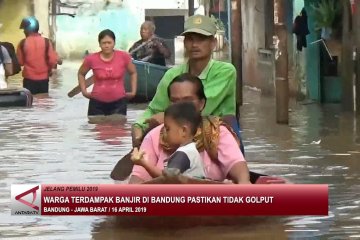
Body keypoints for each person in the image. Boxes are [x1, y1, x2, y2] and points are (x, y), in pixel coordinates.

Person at [131, 15, 244, 153]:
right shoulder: (172, 74)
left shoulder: (226, 71)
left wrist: (167, 116)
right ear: (184, 43)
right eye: (190, 39)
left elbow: (203, 105)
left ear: (213, 43)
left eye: (201, 39)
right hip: (183, 136)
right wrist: (139, 126)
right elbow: (154, 108)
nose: (195, 45)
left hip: (220, 135)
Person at [129, 73, 250, 184]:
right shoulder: (154, 135)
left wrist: (244, 185)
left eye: (188, 100)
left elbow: (239, 170)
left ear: (202, 104)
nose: (181, 107)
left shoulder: (217, 132)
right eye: (175, 101)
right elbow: (138, 180)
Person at [131, 101, 205, 179]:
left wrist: (143, 163)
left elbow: (166, 178)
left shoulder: (183, 154)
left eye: (167, 129)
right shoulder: (192, 150)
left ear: (184, 130)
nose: (163, 132)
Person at [78, 29, 137, 116]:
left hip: (119, 102)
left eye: (109, 43)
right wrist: (84, 91)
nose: (106, 45)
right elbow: (81, 73)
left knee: (118, 127)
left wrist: (133, 91)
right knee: (96, 128)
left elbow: (133, 72)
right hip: (97, 103)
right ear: (99, 44)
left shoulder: (124, 57)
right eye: (104, 43)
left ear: (114, 43)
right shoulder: (91, 59)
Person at [16, 16, 61, 94]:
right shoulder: (47, 42)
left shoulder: (22, 43)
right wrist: (49, 70)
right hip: (43, 79)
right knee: (43, 102)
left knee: (30, 102)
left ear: (28, 29)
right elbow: (52, 61)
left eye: (24, 29)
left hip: (28, 79)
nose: (24, 31)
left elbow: (20, 62)